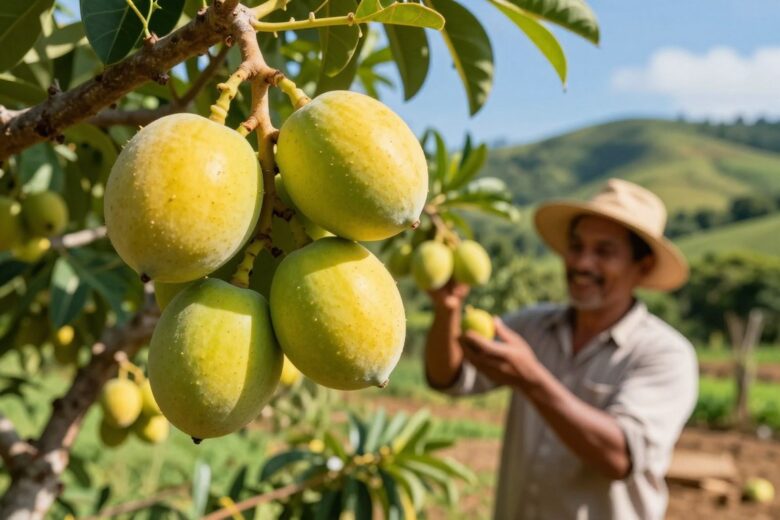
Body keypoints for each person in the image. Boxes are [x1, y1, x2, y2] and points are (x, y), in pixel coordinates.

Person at [424, 179, 698, 520]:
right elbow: (448, 377)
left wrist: (532, 379)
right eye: (576, 246)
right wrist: (447, 309)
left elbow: (619, 457)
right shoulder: (531, 326)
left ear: (640, 267)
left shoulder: (665, 354)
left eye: (604, 251)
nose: (583, 263)